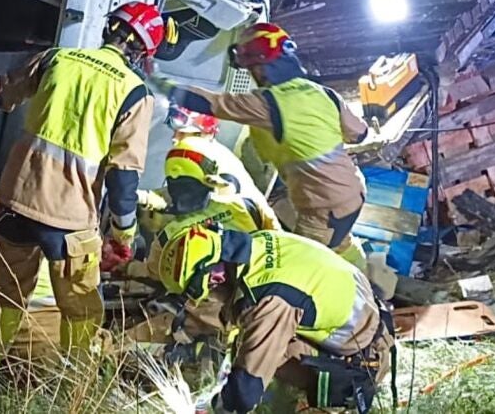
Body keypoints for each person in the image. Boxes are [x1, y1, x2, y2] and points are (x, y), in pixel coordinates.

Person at [0, 1, 164, 385]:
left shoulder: (57, 58)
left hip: (16, 204)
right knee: (83, 313)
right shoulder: (134, 92)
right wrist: (124, 235)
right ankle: (74, 392)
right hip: (69, 223)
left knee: (4, 302)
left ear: (110, 28)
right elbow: (124, 175)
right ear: (143, 52)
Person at [154, 23, 370, 269]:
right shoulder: (324, 93)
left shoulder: (269, 103)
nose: (252, 74)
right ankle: (365, 277)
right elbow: (359, 134)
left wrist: (159, 81)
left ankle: (359, 291)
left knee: (298, 268)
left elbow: (212, 103)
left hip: (322, 207)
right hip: (353, 192)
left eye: (252, 68)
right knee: (339, 242)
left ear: (262, 66)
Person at [157, 225, 394, 414]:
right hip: (371, 313)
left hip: (365, 357)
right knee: (250, 341)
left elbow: (245, 391)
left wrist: (217, 408)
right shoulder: (259, 241)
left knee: (257, 356)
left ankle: (294, 404)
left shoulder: (268, 301)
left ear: (214, 278)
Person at [142, 136, 280, 361]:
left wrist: (130, 267)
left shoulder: (169, 232)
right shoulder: (244, 204)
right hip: (265, 288)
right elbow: (275, 235)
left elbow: (156, 274)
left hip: (215, 311)